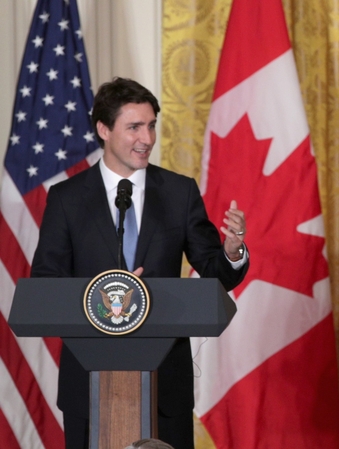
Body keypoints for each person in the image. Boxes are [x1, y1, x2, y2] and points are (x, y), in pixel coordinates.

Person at [31, 77, 250, 449]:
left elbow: (216, 273)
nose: (146, 138)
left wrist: (231, 252)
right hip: (89, 383)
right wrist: (103, 294)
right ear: (104, 129)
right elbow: (46, 282)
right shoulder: (67, 198)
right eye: (134, 127)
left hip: (165, 385)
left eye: (151, 126)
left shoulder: (179, 192)